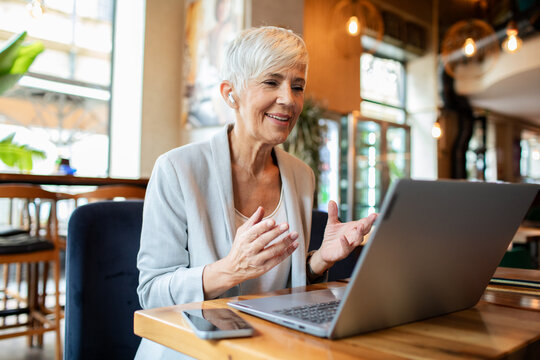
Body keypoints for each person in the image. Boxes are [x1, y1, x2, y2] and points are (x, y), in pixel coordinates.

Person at [135, 26, 377, 359]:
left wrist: (319, 260)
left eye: (297, 86)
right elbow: (152, 293)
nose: (288, 100)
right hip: (191, 350)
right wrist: (230, 269)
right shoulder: (177, 170)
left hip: (271, 348)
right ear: (230, 93)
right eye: (271, 82)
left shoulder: (300, 175)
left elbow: (281, 288)